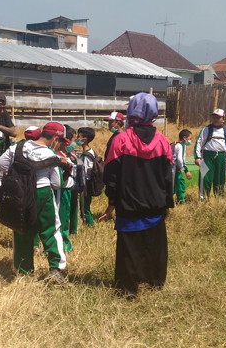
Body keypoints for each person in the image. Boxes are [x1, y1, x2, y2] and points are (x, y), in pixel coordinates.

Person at [99, 92, 174, 299]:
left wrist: (112, 201)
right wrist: (167, 203)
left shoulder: (121, 140)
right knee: (155, 245)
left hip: (128, 203)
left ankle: (127, 289)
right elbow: (168, 177)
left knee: (129, 247)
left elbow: (111, 175)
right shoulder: (162, 141)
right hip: (156, 203)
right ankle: (155, 281)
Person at [0, 122, 66, 282]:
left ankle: (23, 272)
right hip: (43, 193)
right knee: (51, 230)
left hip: (20, 192)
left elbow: (1, 164)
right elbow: (56, 183)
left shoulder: (18, 147)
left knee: (21, 228)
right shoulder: (51, 154)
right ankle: (56, 269)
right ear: (55, 138)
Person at [194, 109, 226, 199]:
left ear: (223, 119)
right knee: (206, 177)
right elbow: (198, 143)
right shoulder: (206, 129)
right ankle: (203, 198)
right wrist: (197, 157)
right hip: (208, 156)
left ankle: (220, 198)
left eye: (218, 117)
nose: (215, 119)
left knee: (219, 178)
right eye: (214, 117)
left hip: (221, 156)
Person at [55, 125, 77, 252]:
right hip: (61, 190)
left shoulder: (65, 154)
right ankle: (63, 244)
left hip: (67, 190)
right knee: (61, 218)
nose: (73, 143)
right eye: (72, 140)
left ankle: (64, 241)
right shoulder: (58, 156)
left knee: (65, 217)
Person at [77, 127, 97, 227]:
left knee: (84, 207)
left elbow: (83, 172)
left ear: (84, 139)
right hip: (90, 182)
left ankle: (89, 224)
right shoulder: (92, 152)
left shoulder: (86, 155)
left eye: (78, 136)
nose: (76, 139)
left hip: (85, 183)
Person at [173, 129, 192, 204]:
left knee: (176, 184)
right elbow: (180, 159)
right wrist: (185, 170)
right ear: (184, 138)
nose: (190, 141)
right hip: (176, 168)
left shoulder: (176, 145)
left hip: (173, 167)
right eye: (189, 139)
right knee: (181, 184)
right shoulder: (181, 146)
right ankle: (181, 201)